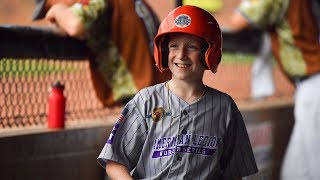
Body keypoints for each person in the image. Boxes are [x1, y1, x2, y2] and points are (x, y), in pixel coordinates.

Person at [97, 5, 258, 179]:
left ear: (209, 53)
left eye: (191, 47)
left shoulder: (224, 107)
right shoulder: (146, 101)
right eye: (174, 46)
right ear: (164, 51)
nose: (181, 55)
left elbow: (234, 173)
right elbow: (115, 163)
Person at [222, 0, 320, 179]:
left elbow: (237, 22)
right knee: (294, 173)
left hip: (314, 88)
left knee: (316, 168)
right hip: (309, 88)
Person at [33, 0, 171, 106]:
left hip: (144, 93)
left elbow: (74, 25)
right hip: (162, 89)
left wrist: (58, 11)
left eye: (48, 6)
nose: (47, 13)